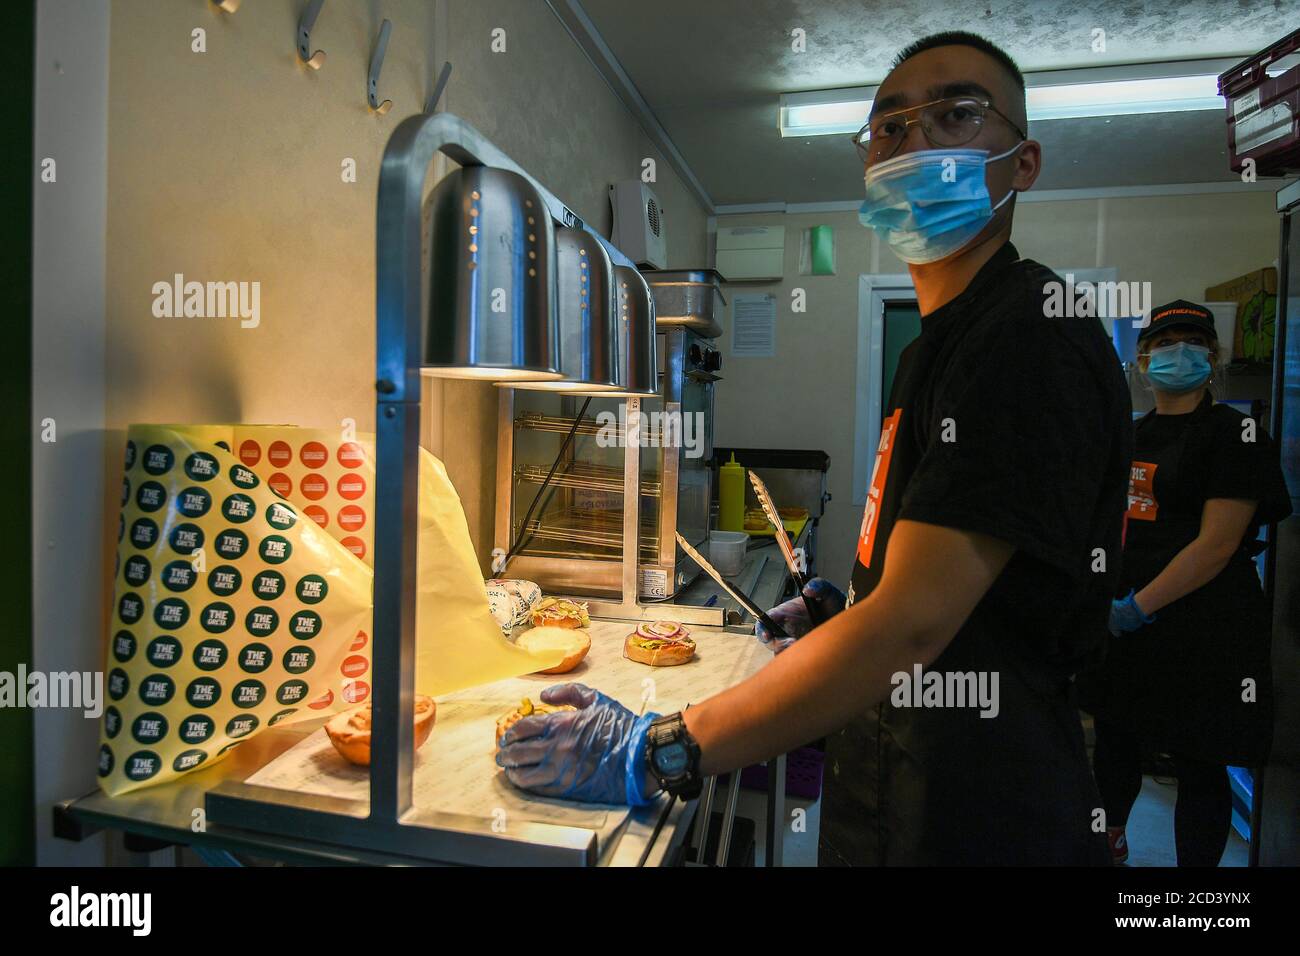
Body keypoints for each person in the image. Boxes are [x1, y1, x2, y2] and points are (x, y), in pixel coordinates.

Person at [495, 30, 1132, 865]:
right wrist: (845, 605)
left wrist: (664, 746)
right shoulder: (933, 349)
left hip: (982, 807)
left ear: (1023, 161)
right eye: (890, 127)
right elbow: (941, 577)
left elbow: (911, 627)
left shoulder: (1027, 335)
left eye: (957, 114)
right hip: (898, 779)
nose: (916, 142)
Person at [1079, 300, 1291, 866]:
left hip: (1205, 626)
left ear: (1213, 357)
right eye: (1165, 343)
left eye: (1192, 343)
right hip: (1124, 622)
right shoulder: (1129, 434)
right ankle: (1110, 843)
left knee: (1201, 757)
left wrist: (1137, 607)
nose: (1179, 353)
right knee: (1116, 742)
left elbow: (1217, 543)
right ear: (1143, 361)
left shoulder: (1234, 434)